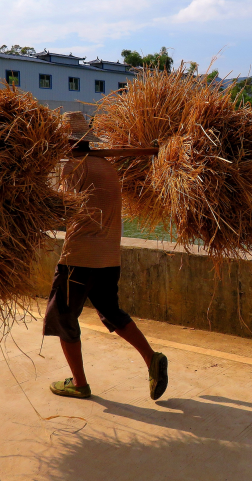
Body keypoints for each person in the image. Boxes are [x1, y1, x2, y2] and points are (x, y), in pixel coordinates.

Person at [43, 111, 168, 400]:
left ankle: (78, 383)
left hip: (79, 257)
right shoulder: (107, 166)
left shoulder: (72, 168)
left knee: (62, 318)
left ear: (67, 142)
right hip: (109, 257)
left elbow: (58, 210)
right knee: (111, 312)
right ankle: (152, 358)